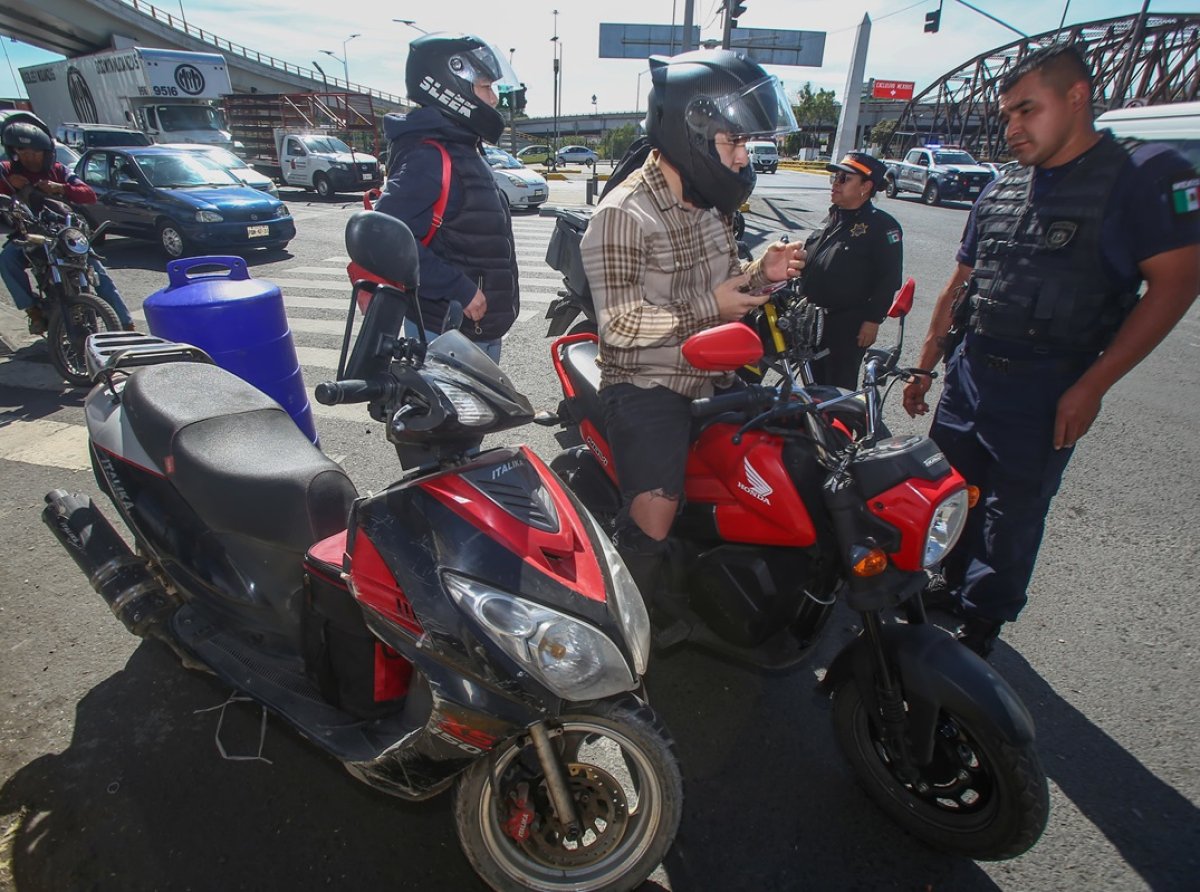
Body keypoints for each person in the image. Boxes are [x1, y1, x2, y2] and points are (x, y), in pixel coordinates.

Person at [901, 43, 1200, 658]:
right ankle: (944, 586)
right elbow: (961, 284)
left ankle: (981, 619)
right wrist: (927, 367)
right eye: (1006, 115)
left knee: (1013, 513)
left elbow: (1178, 280)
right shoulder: (1004, 186)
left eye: (1025, 111)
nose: (1012, 127)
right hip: (971, 371)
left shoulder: (1143, 174)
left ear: (1076, 97)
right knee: (949, 491)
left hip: (1047, 382)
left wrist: (1093, 385)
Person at [580, 49, 805, 611]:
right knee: (654, 514)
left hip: (715, 372)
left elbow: (731, 287)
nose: (742, 157)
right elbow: (621, 324)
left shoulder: (710, 207)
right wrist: (711, 304)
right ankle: (626, 626)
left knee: (787, 460)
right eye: (736, 142)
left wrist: (763, 273)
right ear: (694, 132)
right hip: (647, 382)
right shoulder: (624, 213)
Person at [374, 32, 521, 363]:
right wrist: (459, 287)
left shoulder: (463, 146)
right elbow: (385, 238)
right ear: (451, 86)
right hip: (445, 332)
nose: (494, 98)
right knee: (451, 417)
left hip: (471, 330)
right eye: (486, 87)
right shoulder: (428, 156)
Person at [0, 119, 135, 333]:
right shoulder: (6, 172)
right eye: (23, 153)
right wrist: (9, 186)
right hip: (29, 234)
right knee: (7, 260)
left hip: (65, 233)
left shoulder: (58, 171)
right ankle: (32, 310)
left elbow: (88, 195)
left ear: (46, 152)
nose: (30, 158)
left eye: (35, 153)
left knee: (97, 270)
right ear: (14, 152)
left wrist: (60, 188)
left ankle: (126, 323)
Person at [801, 151, 903, 389]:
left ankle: (838, 427)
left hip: (846, 325)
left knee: (838, 389)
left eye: (844, 179)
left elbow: (888, 279)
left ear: (865, 187)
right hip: (812, 321)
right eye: (835, 177)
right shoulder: (833, 218)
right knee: (811, 387)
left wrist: (873, 320)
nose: (835, 184)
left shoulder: (882, 227)